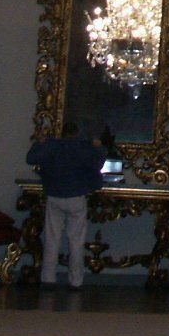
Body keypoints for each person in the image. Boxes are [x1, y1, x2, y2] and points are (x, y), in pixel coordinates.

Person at [26, 121, 106, 289]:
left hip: (54, 194)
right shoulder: (82, 147)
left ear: (61, 133)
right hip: (76, 195)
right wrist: (99, 147)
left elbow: (31, 158)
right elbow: (98, 162)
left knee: (51, 239)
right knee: (76, 241)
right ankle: (76, 281)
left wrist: (39, 143)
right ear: (76, 133)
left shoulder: (52, 146)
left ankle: (48, 279)